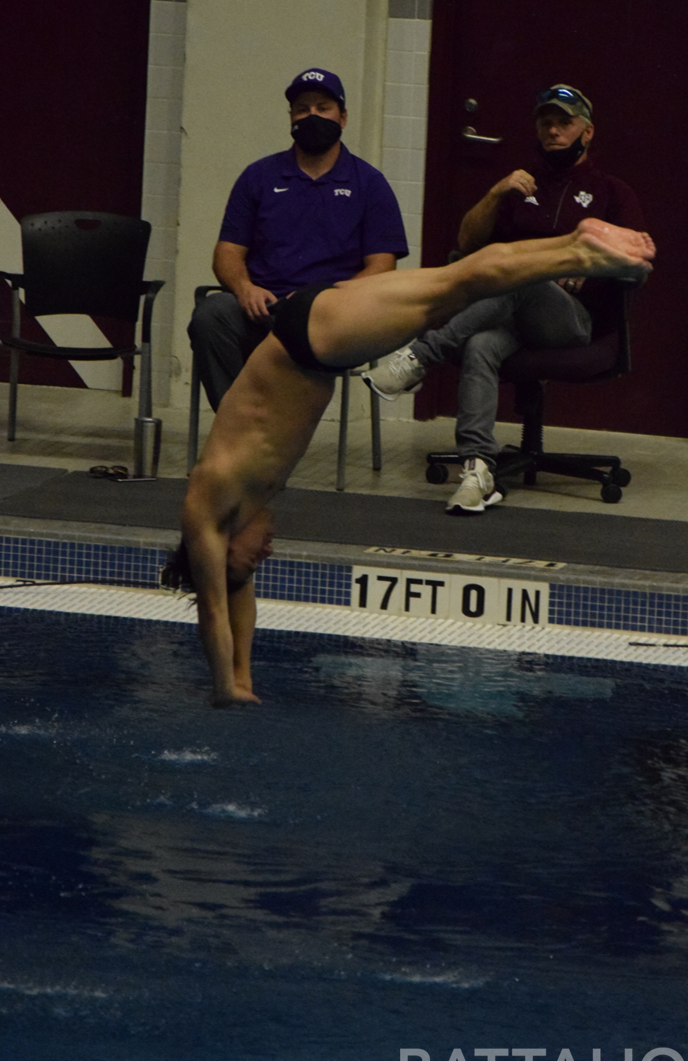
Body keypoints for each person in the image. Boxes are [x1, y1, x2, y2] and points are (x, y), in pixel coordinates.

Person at [168, 218, 654, 707]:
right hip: (318, 339)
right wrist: (243, 683)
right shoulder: (236, 517)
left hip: (312, 339)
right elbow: (236, 602)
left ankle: (582, 254)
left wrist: (221, 687)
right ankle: (573, 244)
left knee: (456, 285)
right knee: (453, 290)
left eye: (249, 559)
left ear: (219, 549)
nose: (264, 554)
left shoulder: (207, 504)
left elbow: (213, 608)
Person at [363, 85, 646, 515]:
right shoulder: (520, 186)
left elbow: (638, 263)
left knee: (526, 274)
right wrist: (496, 194)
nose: (552, 130)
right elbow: (466, 243)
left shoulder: (612, 191)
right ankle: (478, 471)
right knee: (481, 343)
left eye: (564, 123)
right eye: (545, 122)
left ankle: (423, 356)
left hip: (573, 322)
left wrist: (586, 263)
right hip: (510, 316)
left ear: (586, 132)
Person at [188, 67, 409, 409]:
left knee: (297, 341)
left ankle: (262, 434)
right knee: (212, 314)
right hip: (262, 310)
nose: (312, 116)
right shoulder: (258, 176)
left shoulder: (369, 183)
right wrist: (246, 290)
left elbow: (382, 267)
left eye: (323, 108)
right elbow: (227, 254)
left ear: (343, 117)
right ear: (291, 117)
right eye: (302, 109)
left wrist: (318, 300)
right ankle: (238, 426)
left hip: (328, 317)